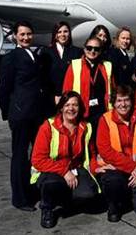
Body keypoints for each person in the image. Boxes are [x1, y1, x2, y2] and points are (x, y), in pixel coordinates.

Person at [30, 91, 99, 228]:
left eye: (75, 105)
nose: (71, 108)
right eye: (67, 105)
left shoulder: (85, 127)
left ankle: (66, 201)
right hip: (51, 170)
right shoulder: (48, 127)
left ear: (80, 108)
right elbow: (37, 159)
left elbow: (91, 154)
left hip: (76, 169)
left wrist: (98, 167)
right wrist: (64, 171)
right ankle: (47, 209)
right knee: (52, 184)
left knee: (89, 194)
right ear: (61, 108)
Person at [0, 21, 44, 211]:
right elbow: (3, 88)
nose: (26, 38)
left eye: (29, 34)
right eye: (22, 34)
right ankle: (20, 198)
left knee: (37, 155)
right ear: (15, 36)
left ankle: (33, 190)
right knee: (19, 157)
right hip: (21, 115)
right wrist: (8, 113)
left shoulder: (35, 55)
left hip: (36, 114)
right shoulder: (11, 57)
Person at [94, 85, 136, 222]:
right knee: (113, 181)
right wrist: (132, 167)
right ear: (113, 103)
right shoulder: (105, 120)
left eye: (126, 100)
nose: (123, 104)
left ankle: (132, 195)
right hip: (116, 169)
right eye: (119, 101)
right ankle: (114, 205)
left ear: (131, 101)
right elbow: (105, 150)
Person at [62, 36, 113, 135]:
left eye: (96, 49)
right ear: (84, 49)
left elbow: (112, 88)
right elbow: (66, 90)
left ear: (101, 51)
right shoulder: (75, 65)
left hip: (102, 112)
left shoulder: (107, 66)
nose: (92, 51)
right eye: (89, 48)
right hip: (82, 112)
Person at [39, 21, 83, 116]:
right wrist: (53, 96)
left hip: (71, 99)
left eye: (65, 31)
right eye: (59, 32)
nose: (62, 34)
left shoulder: (77, 52)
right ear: (55, 35)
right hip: (52, 99)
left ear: (69, 34)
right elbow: (43, 78)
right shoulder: (46, 52)